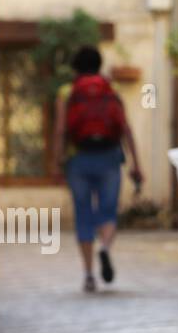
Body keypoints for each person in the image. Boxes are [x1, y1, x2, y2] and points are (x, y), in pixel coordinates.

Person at [52, 46, 143, 293]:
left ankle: (89, 274)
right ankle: (104, 246)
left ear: (75, 67)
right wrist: (136, 164)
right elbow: (126, 129)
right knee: (108, 211)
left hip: (78, 159)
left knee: (83, 215)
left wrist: (57, 162)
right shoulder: (111, 90)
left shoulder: (68, 91)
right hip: (110, 157)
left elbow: (61, 130)